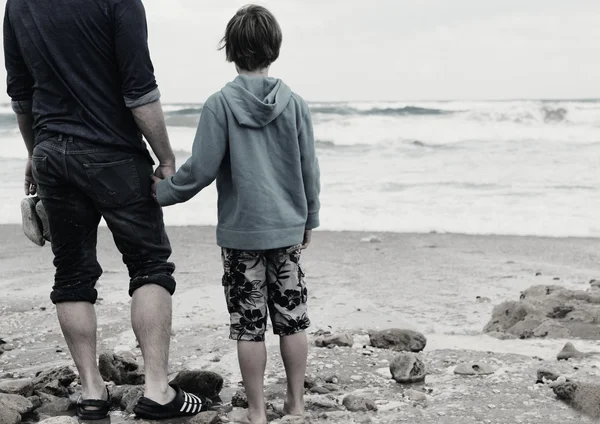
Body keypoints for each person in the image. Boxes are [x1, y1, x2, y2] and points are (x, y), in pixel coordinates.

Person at [3, 0, 208, 419]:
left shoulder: (18, 4)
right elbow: (139, 91)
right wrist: (166, 158)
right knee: (150, 265)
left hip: (51, 153)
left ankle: (92, 391)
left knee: (72, 273)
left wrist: (34, 153)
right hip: (114, 155)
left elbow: (20, 95)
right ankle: (157, 390)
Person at [154, 5, 321, 423]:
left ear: (230, 49)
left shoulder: (220, 105)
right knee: (293, 320)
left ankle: (258, 412)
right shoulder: (294, 104)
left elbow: (201, 169)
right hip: (286, 230)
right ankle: (297, 404)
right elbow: (309, 168)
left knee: (250, 326)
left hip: (241, 235)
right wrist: (310, 219)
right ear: (274, 49)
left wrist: (162, 193)